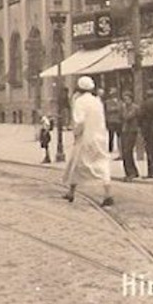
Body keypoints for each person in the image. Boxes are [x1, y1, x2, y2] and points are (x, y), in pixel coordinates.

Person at [62, 75, 114, 206]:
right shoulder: (97, 101)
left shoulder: (80, 102)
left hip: (85, 138)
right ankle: (107, 193)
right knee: (102, 163)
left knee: (76, 163)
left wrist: (76, 133)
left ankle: (71, 191)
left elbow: (79, 121)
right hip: (100, 137)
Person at [118, 92, 141, 181]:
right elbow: (120, 117)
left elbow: (128, 116)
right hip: (124, 130)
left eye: (127, 99)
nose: (126, 101)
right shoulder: (123, 107)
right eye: (124, 99)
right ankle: (129, 172)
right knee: (124, 152)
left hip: (132, 131)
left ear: (131, 99)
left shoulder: (135, 108)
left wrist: (123, 111)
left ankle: (132, 172)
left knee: (128, 151)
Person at [103, 88, 125, 155]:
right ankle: (110, 148)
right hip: (111, 120)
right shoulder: (108, 102)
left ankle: (120, 148)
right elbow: (108, 109)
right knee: (111, 135)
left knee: (119, 135)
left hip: (118, 120)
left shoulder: (120, 102)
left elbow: (121, 109)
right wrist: (116, 108)